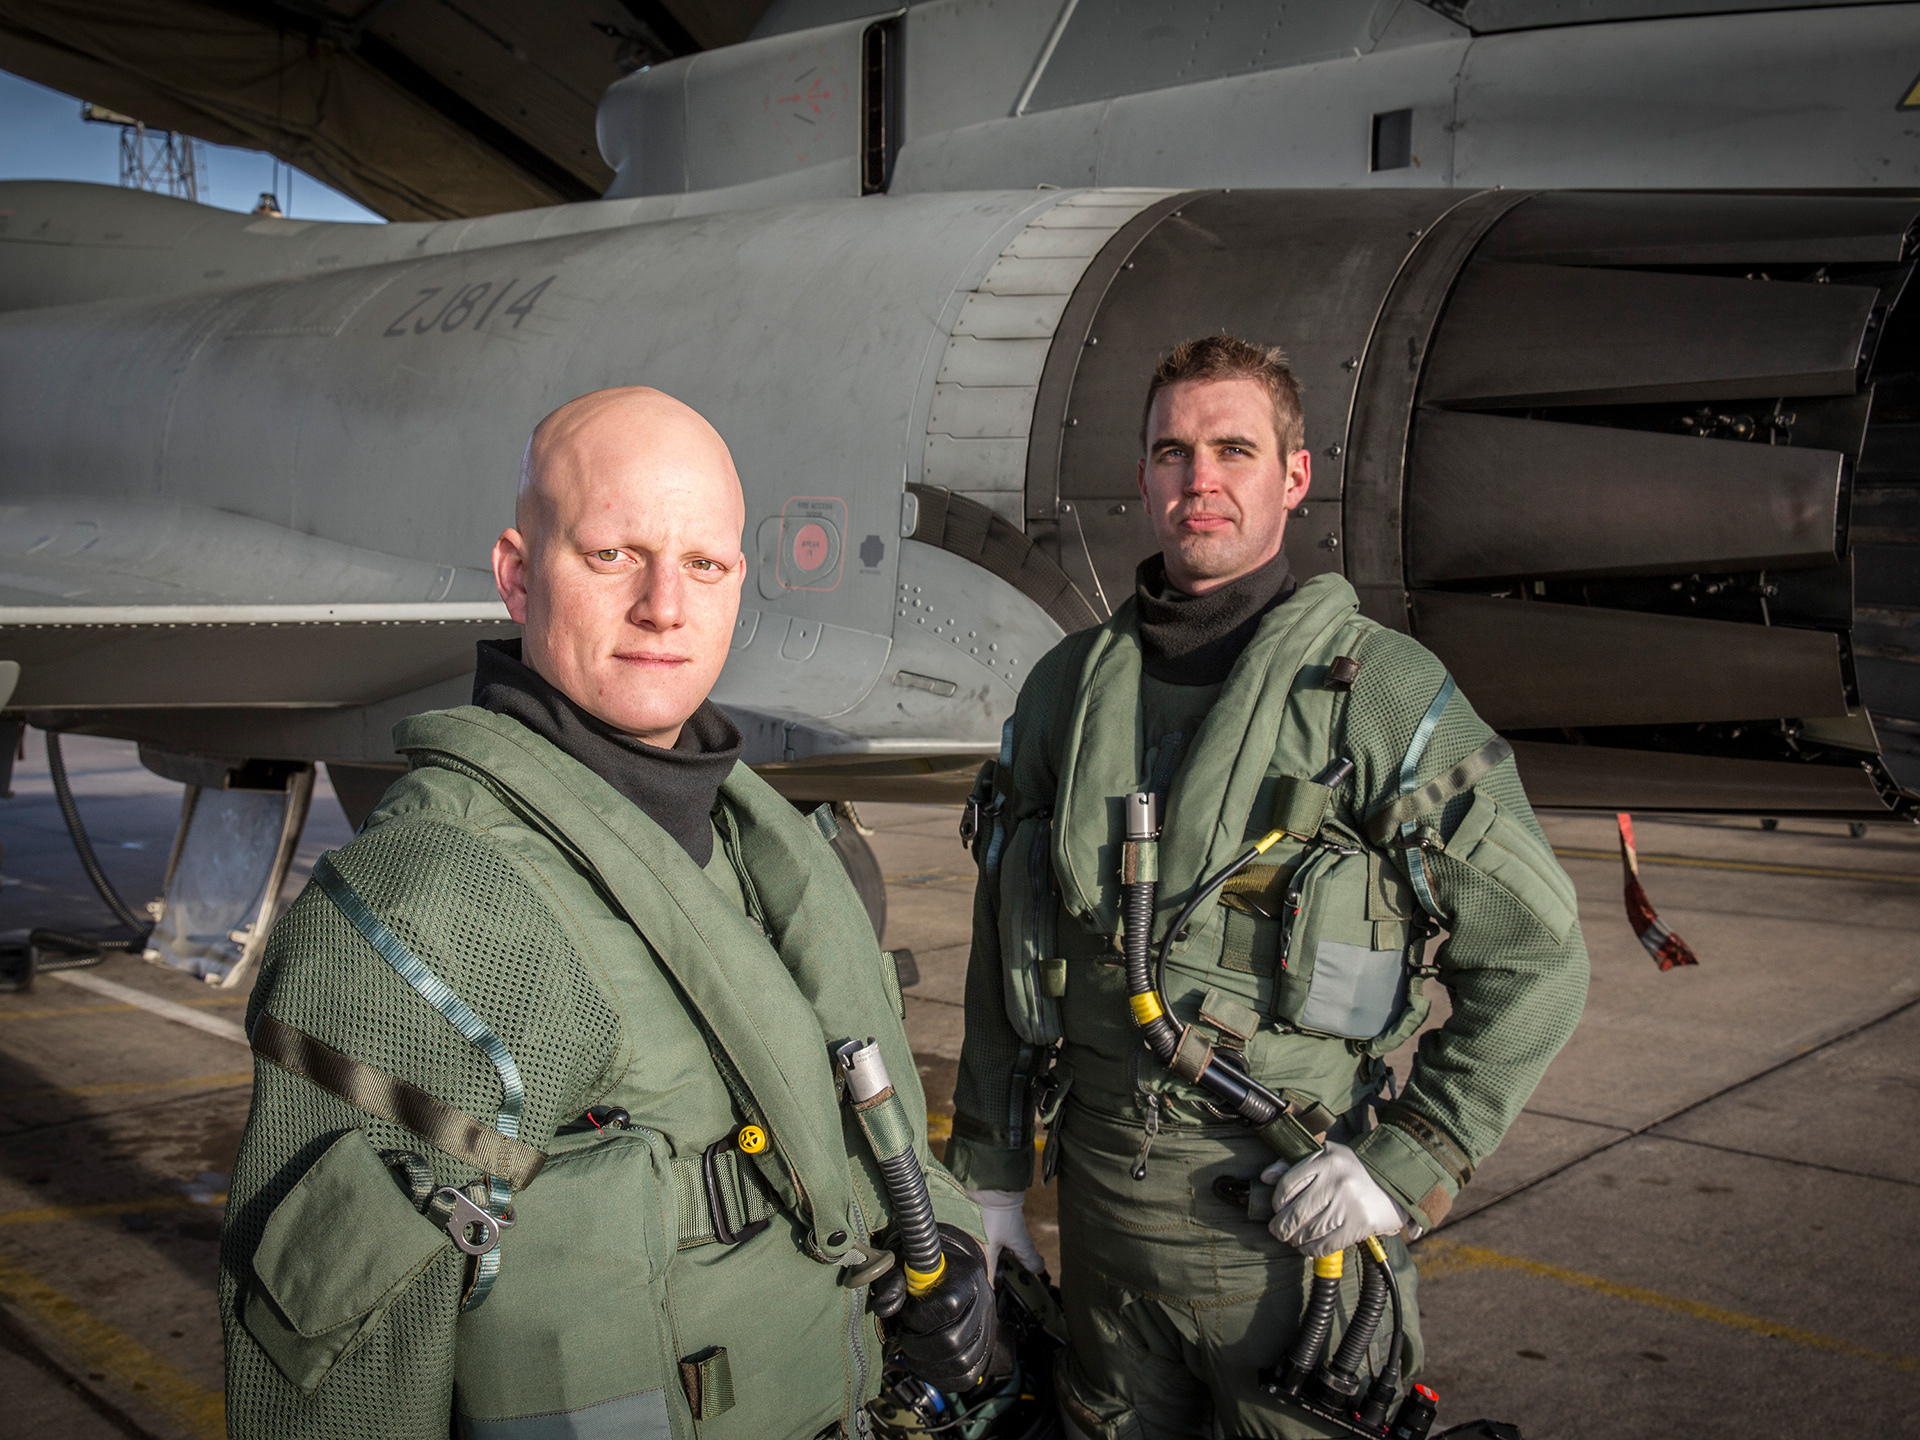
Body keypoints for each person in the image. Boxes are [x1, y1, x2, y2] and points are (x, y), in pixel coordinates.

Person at [220, 387, 993, 1439]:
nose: (665, 605)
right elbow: (334, 1397)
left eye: (705, 565)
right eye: (614, 555)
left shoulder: (759, 850)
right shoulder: (431, 913)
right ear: (516, 574)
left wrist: (942, 1241)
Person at [947, 337, 1589, 1438]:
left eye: (1234, 450)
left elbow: (1536, 952)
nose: (1201, 480)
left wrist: (1414, 1156)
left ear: (1293, 478)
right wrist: (994, 1185)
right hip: (1099, 1238)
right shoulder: (1067, 692)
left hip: (1291, 1235)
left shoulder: (1375, 692)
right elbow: (1004, 934)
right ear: (1143, 478)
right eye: (1173, 451)